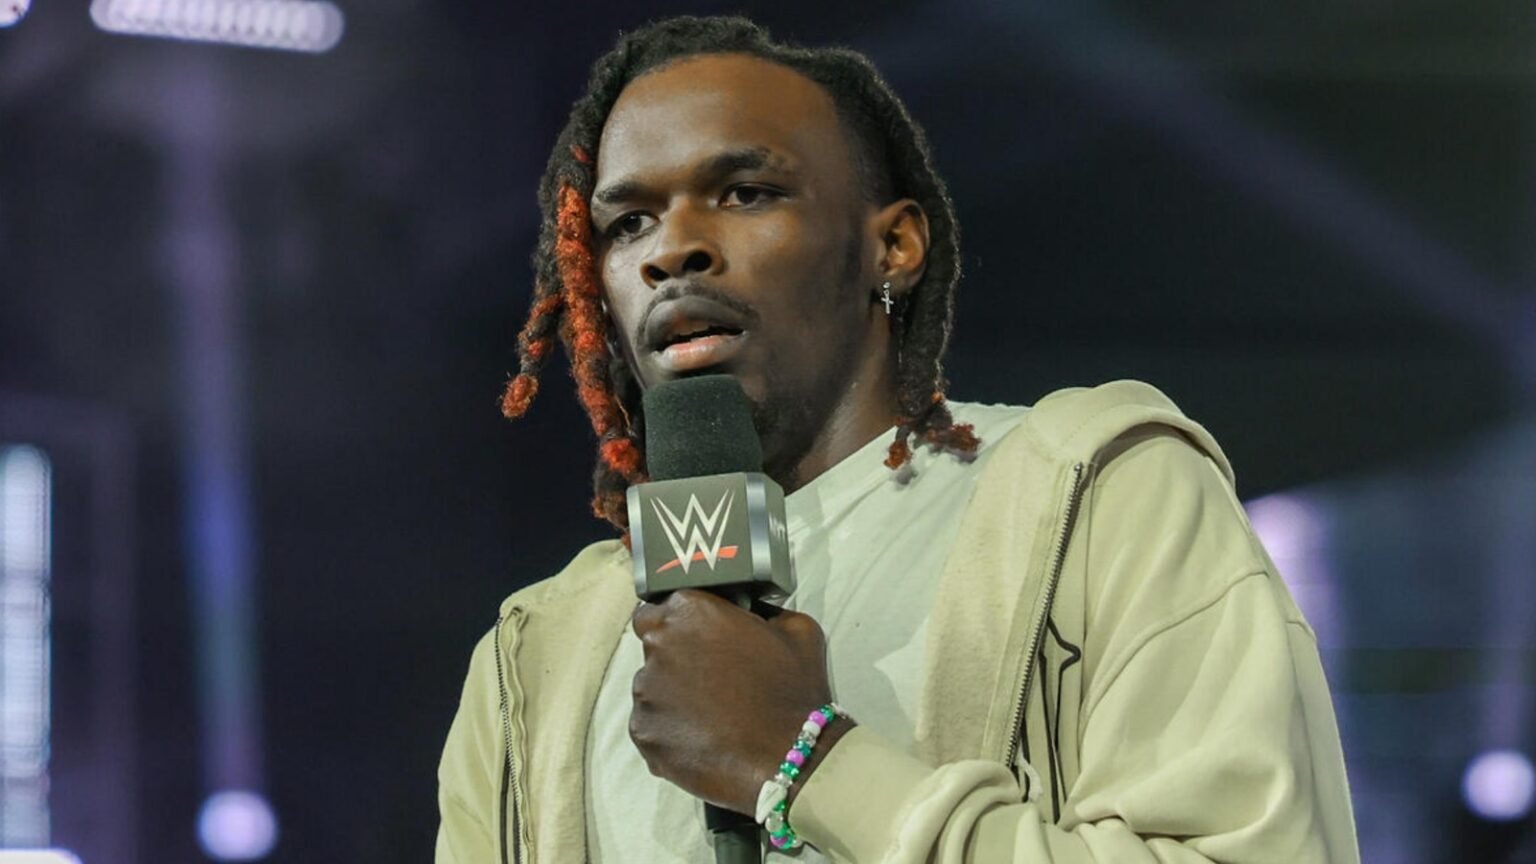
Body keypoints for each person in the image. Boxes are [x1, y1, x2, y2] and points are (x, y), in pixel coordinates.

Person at [436, 15, 1359, 864]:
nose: (671, 249)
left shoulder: (1099, 495)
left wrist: (806, 762)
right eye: (628, 222)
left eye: (746, 192)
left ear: (895, 247)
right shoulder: (539, 656)